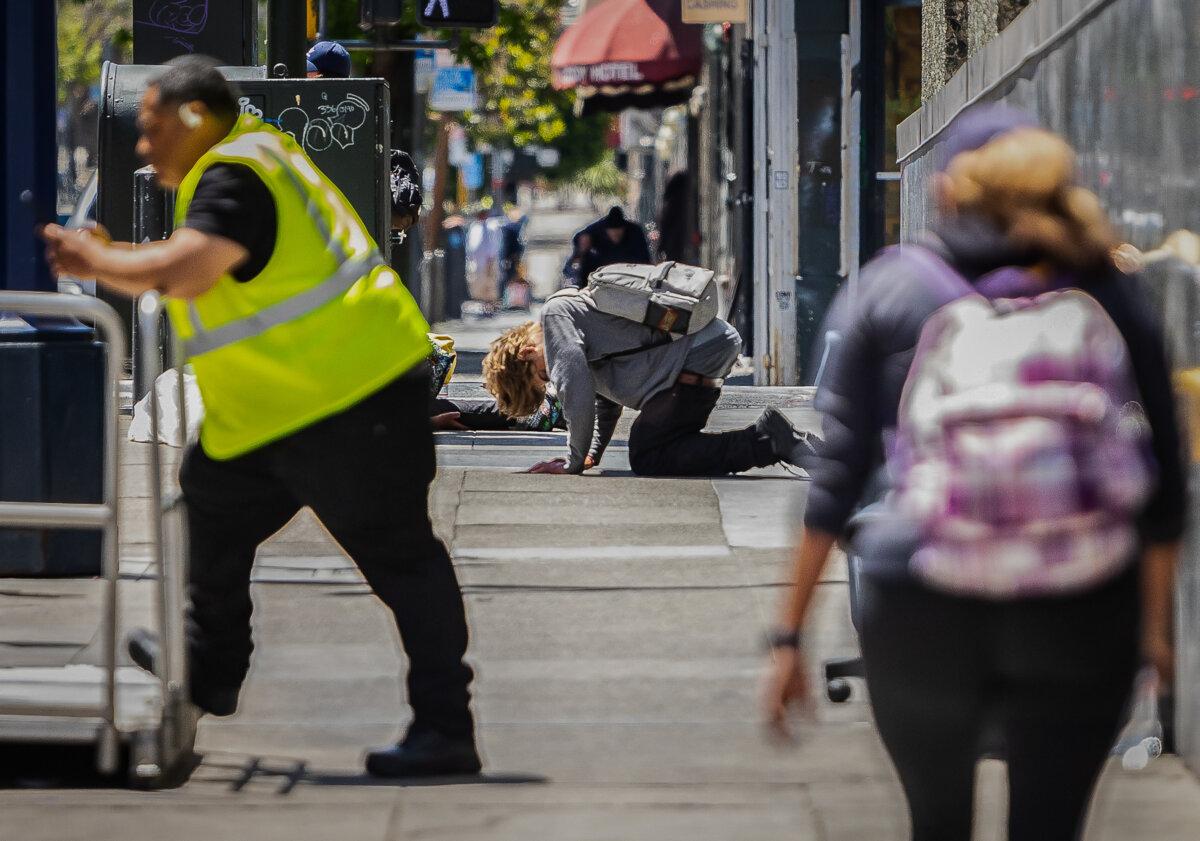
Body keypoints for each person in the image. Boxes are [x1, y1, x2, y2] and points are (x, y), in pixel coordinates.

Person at [39, 56, 479, 779]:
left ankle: (445, 727)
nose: (143, 148)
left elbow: (191, 267)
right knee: (209, 499)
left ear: (190, 117)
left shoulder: (235, 172)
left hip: (349, 395)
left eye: (151, 131)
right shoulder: (259, 153)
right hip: (285, 406)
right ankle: (213, 668)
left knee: (401, 558)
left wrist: (99, 258)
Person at [762, 106, 1186, 841]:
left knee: (938, 822)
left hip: (921, 592)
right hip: (1081, 600)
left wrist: (789, 636)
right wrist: (1154, 633)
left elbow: (835, 475)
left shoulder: (890, 287)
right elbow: (1164, 483)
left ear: (950, 190)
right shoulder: (1110, 291)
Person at [481, 297, 813, 476]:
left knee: (648, 452)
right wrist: (591, 455)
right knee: (662, 449)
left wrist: (572, 460)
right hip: (697, 356)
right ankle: (771, 440)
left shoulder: (557, 317)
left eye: (541, 375)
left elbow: (576, 387)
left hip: (697, 351)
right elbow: (602, 397)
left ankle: (769, 441)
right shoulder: (573, 329)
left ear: (527, 352)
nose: (550, 379)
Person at [565, 206, 652, 287]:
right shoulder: (598, 228)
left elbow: (644, 257)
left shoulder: (635, 231)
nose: (615, 234)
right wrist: (582, 244)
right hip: (603, 269)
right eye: (612, 232)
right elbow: (579, 237)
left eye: (618, 232)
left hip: (628, 270)